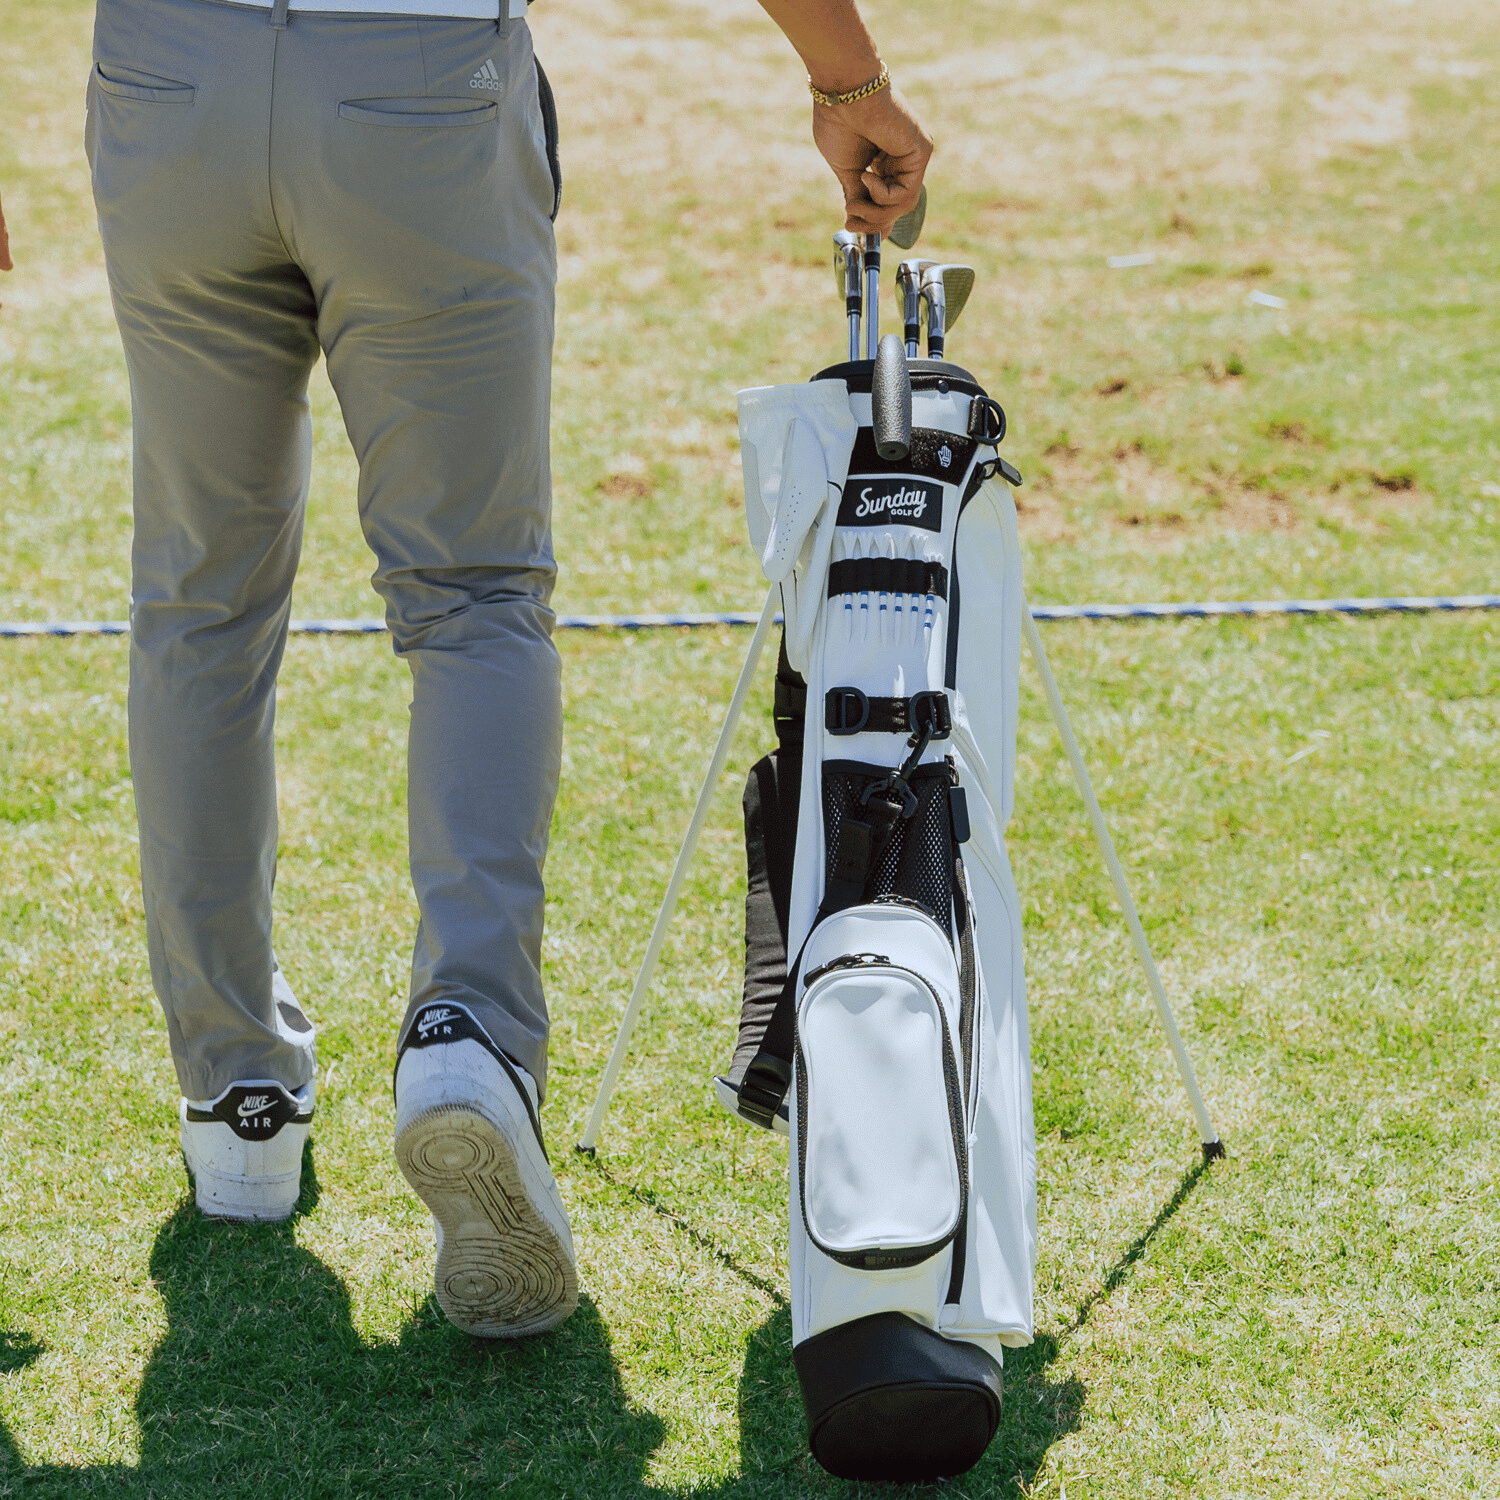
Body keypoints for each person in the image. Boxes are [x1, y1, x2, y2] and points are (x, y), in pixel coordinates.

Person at [0, 0, 930, 1339]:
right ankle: (469, 1036)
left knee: (198, 603)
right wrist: (848, 78)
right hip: (418, 76)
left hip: (171, 77)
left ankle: (237, 1099)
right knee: (476, 598)